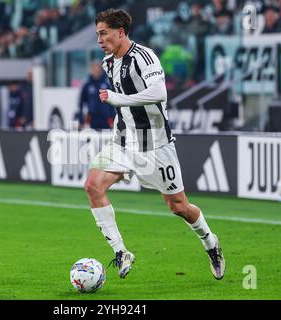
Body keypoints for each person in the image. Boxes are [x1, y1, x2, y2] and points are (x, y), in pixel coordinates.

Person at [85, 9, 225, 280]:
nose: (99, 40)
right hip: (123, 142)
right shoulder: (108, 63)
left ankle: (210, 243)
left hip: (156, 147)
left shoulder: (144, 57)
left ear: (120, 32)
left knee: (179, 207)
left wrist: (118, 99)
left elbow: (160, 93)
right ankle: (120, 251)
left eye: (103, 33)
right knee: (93, 185)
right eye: (97, 34)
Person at [78, 61, 116, 129]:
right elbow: (81, 103)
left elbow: (112, 102)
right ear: (91, 70)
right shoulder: (87, 85)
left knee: (106, 138)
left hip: (105, 118)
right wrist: (81, 120)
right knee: (93, 138)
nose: (96, 70)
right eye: (94, 68)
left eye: (98, 68)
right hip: (92, 118)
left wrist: (113, 118)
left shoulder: (107, 84)